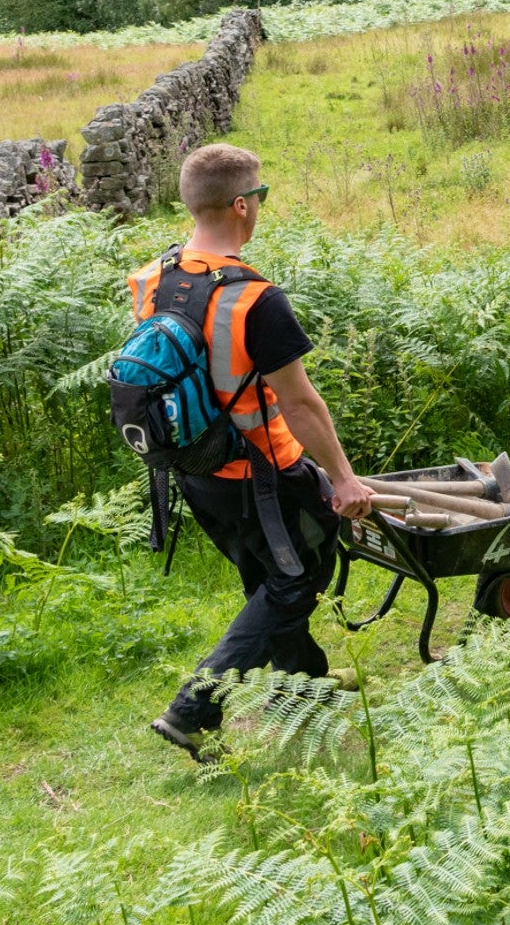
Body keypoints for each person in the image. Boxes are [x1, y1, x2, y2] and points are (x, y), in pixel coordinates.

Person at [133, 143, 375, 761]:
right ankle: (193, 709)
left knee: (267, 574)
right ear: (242, 206)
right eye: (260, 196)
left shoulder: (155, 277)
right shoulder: (253, 298)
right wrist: (343, 481)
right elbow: (299, 403)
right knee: (298, 578)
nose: (261, 205)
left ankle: (303, 687)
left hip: (192, 468)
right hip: (262, 472)